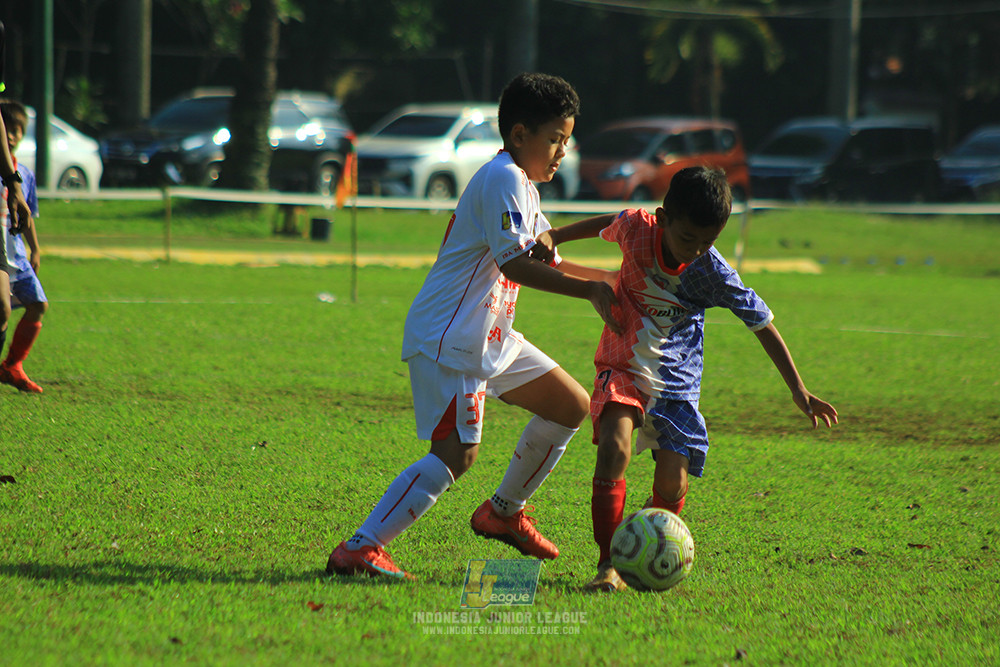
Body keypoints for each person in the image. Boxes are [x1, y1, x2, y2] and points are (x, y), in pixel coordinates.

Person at [326, 72, 620, 580]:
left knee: (570, 405)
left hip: (490, 336)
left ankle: (502, 512)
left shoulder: (523, 184)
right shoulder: (502, 177)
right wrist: (592, 290)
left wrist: (613, 278)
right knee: (457, 453)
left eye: (566, 141)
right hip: (451, 338)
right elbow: (515, 265)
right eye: (554, 140)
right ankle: (361, 547)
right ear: (520, 134)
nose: (561, 153)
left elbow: (542, 256)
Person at [532, 166, 839, 592]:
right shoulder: (638, 229)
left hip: (676, 383)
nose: (695, 251)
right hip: (621, 366)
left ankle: (652, 538)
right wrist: (556, 236)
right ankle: (609, 565)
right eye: (687, 238)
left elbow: (762, 323)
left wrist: (798, 389)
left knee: (672, 483)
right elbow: (609, 221)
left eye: (707, 242)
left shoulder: (712, 273)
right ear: (663, 217)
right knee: (614, 450)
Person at [0, 99, 47, 393]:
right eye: (8, 128)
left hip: (16, 254)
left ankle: (12, 365)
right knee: (1, 308)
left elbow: (27, 215)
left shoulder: (24, 175)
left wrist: (36, 248)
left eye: (18, 130)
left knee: (38, 305)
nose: (12, 135)